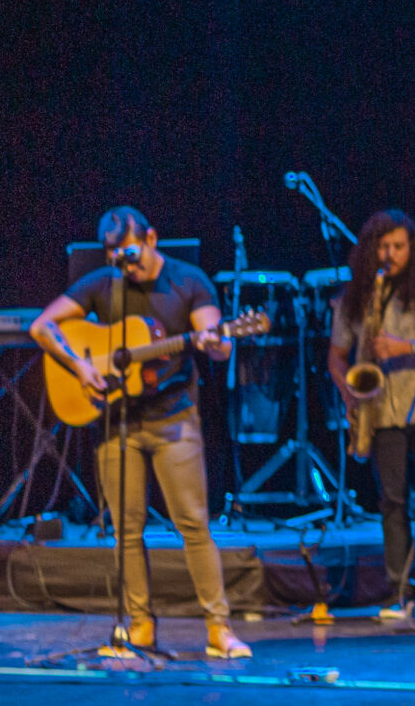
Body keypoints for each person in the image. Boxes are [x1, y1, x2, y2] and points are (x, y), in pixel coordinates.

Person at [28, 207, 250, 660]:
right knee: (126, 530)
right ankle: (140, 627)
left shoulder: (188, 281)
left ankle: (219, 628)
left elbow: (219, 344)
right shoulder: (105, 283)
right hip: (118, 423)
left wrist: (215, 339)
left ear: (151, 237)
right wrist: (81, 365)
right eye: (113, 255)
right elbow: (42, 326)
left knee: (193, 524)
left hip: (174, 419)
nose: (122, 264)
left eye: (128, 253)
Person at [326, 210, 415, 620]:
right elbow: (336, 356)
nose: (390, 255)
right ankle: (399, 592)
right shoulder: (355, 297)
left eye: (398, 246)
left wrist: (404, 347)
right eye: (383, 247)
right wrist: (349, 393)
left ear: (413, 248)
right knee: (392, 502)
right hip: (382, 411)